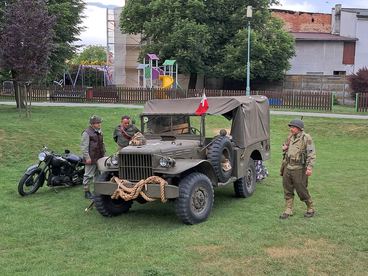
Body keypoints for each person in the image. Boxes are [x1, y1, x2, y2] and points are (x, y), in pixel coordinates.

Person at [279, 119, 316, 219]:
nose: (291, 129)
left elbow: (311, 154)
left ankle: (310, 208)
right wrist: (284, 147)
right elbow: (285, 145)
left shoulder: (306, 138)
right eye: (291, 127)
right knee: (287, 188)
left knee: (301, 189)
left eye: (293, 127)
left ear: (299, 128)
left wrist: (309, 168)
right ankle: (288, 209)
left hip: (299, 168)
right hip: (288, 166)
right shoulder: (290, 136)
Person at [80, 115, 105, 199]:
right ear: (92, 124)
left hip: (99, 157)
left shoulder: (99, 131)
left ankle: (97, 190)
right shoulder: (86, 133)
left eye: (99, 123)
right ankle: (86, 191)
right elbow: (84, 147)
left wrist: (104, 154)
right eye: (97, 123)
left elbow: (102, 144)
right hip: (91, 157)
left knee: (97, 174)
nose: (99, 124)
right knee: (88, 175)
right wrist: (87, 157)